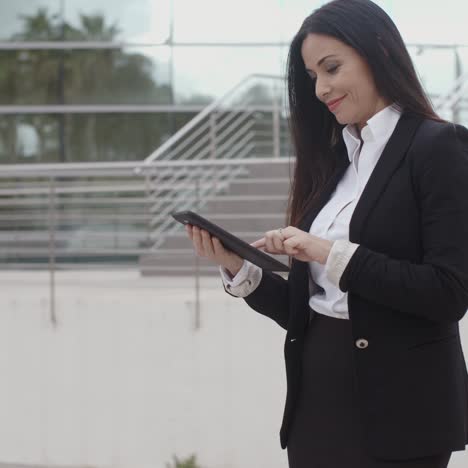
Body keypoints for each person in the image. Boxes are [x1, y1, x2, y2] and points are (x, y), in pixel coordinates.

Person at [185, 0, 468, 467]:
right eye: (313, 75)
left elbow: (449, 291)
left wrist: (330, 253)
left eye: (331, 68)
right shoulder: (336, 161)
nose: (320, 88)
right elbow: (310, 312)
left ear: (378, 50)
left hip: (402, 409)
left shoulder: (439, 147)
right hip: (318, 402)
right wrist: (239, 268)